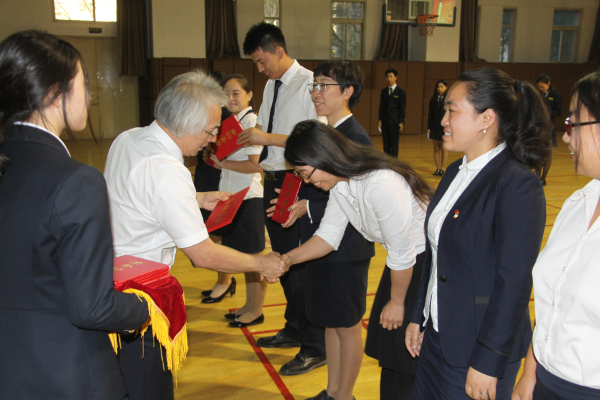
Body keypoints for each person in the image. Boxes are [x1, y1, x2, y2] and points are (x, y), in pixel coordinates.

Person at [104, 69, 284, 400]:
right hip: (141, 295)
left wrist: (196, 199)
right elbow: (203, 254)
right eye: (211, 130)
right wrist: (261, 263)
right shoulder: (169, 171)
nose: (213, 139)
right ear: (184, 123)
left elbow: (137, 197)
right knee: (149, 388)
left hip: (110, 280)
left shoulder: (128, 138)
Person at [0, 30, 149, 399]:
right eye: (84, 85)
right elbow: (93, 307)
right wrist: (141, 308)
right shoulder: (75, 181)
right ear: (55, 94)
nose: (89, 96)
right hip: (65, 374)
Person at [405, 67, 551, 400]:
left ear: (486, 118)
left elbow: (513, 284)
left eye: (452, 110)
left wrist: (488, 361)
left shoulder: (517, 184)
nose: (443, 120)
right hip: (437, 339)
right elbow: (436, 254)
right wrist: (419, 316)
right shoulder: (455, 171)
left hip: (477, 352)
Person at [279, 120, 433, 400]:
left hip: (425, 265)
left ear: (322, 156)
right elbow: (328, 237)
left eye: (304, 173)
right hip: (405, 264)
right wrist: (288, 259)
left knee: (405, 353)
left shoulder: (380, 183)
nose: (307, 182)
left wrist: (397, 302)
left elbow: (402, 254)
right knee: (392, 353)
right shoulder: (341, 184)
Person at [268, 60, 375, 400]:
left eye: (324, 85)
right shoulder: (326, 131)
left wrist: (307, 206)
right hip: (321, 240)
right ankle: (332, 391)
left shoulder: (354, 137)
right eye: (314, 85)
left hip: (347, 249)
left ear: (347, 91)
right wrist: (292, 204)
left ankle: (345, 395)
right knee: (330, 321)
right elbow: (312, 182)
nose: (316, 92)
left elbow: (356, 196)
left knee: (347, 326)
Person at [237, 22, 328, 376]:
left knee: (301, 266)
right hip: (274, 180)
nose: (260, 69)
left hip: (298, 181)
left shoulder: (309, 84)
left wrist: (266, 138)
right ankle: (294, 328)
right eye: (256, 64)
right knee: (283, 262)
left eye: (262, 61)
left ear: (279, 50)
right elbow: (267, 129)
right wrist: (254, 139)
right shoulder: (271, 84)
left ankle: (315, 345)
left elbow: (315, 137)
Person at [511, 71, 600, 400]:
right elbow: (554, 303)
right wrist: (530, 373)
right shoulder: (578, 204)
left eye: (574, 124)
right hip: (548, 381)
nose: (566, 139)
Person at [209, 74, 268, 326]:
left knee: (255, 258)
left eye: (236, 93)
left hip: (248, 198)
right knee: (244, 257)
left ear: (249, 95)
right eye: (227, 93)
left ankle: (257, 311)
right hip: (232, 197)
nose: (231, 98)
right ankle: (248, 305)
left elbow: (256, 165)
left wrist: (223, 164)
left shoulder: (251, 122)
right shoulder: (232, 121)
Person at [196, 70, 236, 304]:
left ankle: (225, 281)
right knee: (208, 232)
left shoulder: (227, 117)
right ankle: (224, 279)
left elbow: (231, 152)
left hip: (219, 177)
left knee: (217, 233)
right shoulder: (204, 112)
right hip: (204, 174)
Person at [535, 73, 563, 186]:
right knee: (537, 152)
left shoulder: (556, 95)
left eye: (543, 87)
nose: (541, 89)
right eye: (539, 87)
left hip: (549, 127)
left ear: (548, 83)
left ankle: (543, 178)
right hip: (538, 127)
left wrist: (546, 112)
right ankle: (536, 177)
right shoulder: (538, 94)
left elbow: (558, 111)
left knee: (547, 153)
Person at [378, 68, 407, 158]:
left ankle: (394, 163)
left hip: (395, 122)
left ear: (396, 78)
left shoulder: (401, 92)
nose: (389, 79)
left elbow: (402, 108)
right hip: (385, 121)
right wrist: (380, 120)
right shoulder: (383, 91)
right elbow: (381, 107)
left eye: (391, 77)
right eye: (387, 77)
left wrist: (401, 122)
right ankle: (387, 162)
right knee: (386, 144)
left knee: (394, 144)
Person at [428, 79, 449, 176]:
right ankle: (438, 168)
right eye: (438, 87)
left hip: (444, 127)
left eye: (441, 86)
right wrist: (429, 128)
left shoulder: (448, 101)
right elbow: (430, 115)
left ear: (446, 87)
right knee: (436, 147)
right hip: (434, 126)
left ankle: (443, 168)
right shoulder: (433, 100)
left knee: (443, 148)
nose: (439, 89)